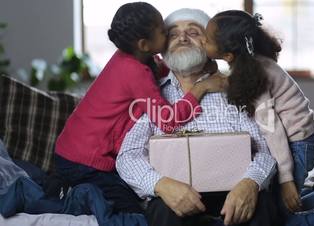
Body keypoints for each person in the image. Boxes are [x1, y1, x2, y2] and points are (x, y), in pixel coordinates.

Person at [53, 2, 226, 214]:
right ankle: (63, 198)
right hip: (85, 161)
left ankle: (73, 192)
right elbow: (168, 121)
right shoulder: (134, 72)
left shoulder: (134, 58)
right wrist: (201, 88)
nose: (177, 37)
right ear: (145, 44)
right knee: (129, 212)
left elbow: (160, 67)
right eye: (166, 32)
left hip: (74, 150)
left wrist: (199, 64)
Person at [116, 8, 278, 226]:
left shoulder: (236, 89)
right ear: (162, 47)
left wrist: (251, 182)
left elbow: (265, 149)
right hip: (174, 198)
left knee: (263, 204)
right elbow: (128, 156)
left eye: (193, 32)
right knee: (162, 212)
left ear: (212, 45)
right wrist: (161, 185)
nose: (182, 37)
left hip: (234, 191)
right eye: (173, 34)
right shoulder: (150, 96)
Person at [203, 9, 314, 215]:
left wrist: (286, 179)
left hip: (298, 143)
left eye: (206, 40)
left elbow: (273, 130)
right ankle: (310, 191)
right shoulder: (248, 62)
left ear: (228, 55)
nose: (202, 41)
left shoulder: (254, 76)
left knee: (277, 210)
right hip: (291, 139)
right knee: (272, 198)